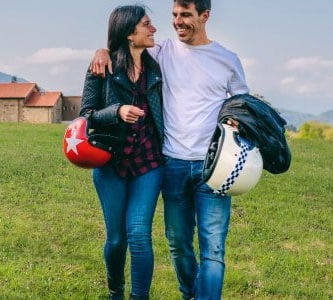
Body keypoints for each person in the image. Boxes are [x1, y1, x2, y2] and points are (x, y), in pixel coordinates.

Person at [90, 0, 250, 299]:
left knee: (213, 249)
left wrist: (235, 120)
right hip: (173, 163)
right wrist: (101, 51)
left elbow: (242, 103)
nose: (177, 22)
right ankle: (189, 293)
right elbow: (123, 42)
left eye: (186, 15)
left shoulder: (228, 59)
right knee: (178, 243)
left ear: (205, 16)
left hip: (214, 166)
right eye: (175, 15)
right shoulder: (161, 50)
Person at [79, 5, 165, 300]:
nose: (153, 28)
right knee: (117, 239)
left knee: (139, 235)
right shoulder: (102, 68)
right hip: (110, 163)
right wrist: (116, 111)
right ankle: (116, 291)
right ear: (130, 33)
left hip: (149, 163)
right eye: (147, 24)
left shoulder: (157, 68)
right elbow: (86, 115)